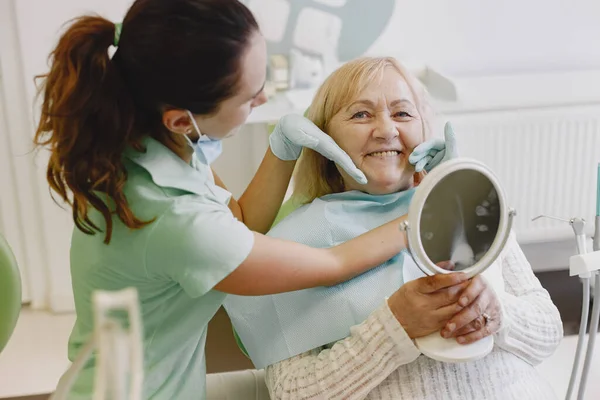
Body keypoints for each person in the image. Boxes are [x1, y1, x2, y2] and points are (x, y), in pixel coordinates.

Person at [33, 1, 433, 398]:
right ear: (180, 118)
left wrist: (281, 149)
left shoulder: (154, 142)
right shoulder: (175, 218)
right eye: (248, 97)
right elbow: (333, 263)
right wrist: (426, 215)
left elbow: (236, 221)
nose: (261, 101)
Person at [224, 57, 564, 399]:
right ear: (323, 138)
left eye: (402, 113)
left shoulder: (472, 208)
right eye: (361, 114)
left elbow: (548, 332)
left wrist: (496, 311)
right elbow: (293, 393)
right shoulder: (295, 242)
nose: (387, 130)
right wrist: (394, 328)